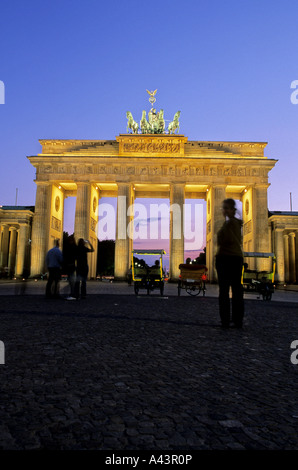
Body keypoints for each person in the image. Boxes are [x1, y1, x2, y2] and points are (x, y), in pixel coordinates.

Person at [215, 198, 244, 328]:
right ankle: (236, 320)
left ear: (233, 210)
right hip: (234, 258)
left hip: (227, 259)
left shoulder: (232, 224)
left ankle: (227, 320)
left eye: (227, 208)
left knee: (226, 291)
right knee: (236, 290)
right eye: (224, 208)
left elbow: (227, 240)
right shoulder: (233, 223)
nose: (224, 210)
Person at [64, 235, 77, 300]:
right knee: (71, 280)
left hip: (70, 265)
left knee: (71, 280)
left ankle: (72, 294)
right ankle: (73, 293)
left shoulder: (70, 247)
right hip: (72, 265)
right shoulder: (75, 247)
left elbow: (66, 256)